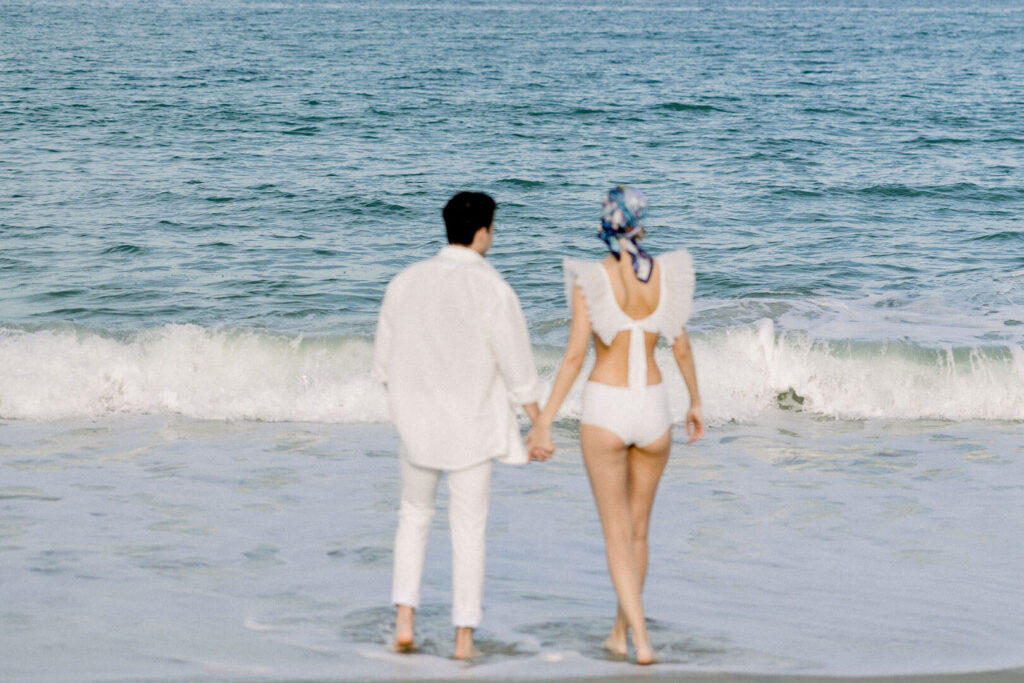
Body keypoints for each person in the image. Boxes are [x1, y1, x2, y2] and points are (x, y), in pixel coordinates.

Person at [526, 186, 704, 665]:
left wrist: (543, 421)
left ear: (605, 223)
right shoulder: (664, 275)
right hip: (653, 405)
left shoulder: (592, 278)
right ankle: (618, 634)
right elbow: (681, 346)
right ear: (640, 222)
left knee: (615, 533)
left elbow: (572, 356)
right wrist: (696, 402)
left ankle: (640, 641)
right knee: (639, 530)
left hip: (605, 408)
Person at [373, 191, 552, 660]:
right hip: (472, 424)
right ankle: (463, 638)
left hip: (417, 424)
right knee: (469, 527)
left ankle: (405, 622)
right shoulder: (493, 288)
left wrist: (405, 408)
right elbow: (518, 368)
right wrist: (540, 425)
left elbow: (384, 364)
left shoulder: (405, 281)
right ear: (483, 232)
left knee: (413, 517)